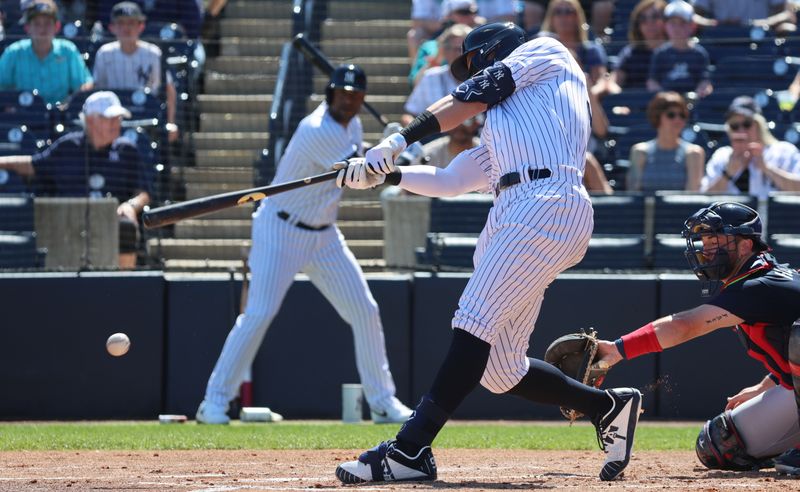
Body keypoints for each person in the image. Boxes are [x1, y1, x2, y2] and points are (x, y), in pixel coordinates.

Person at [333, 22, 642, 484]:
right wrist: (385, 173)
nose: (469, 73)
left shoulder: (545, 53)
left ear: (496, 52)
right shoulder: (510, 125)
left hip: (547, 201)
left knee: (472, 320)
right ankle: (606, 406)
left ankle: (409, 450)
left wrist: (396, 140)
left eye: (473, 62)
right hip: (519, 208)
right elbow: (449, 181)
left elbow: (481, 88)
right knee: (500, 369)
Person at [195, 65, 414, 426]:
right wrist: (399, 152)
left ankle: (382, 402)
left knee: (365, 310)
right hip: (280, 229)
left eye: (355, 95)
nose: (348, 100)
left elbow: (364, 159)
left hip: (324, 235)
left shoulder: (353, 125)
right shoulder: (316, 129)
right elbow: (362, 176)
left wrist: (391, 147)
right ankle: (214, 402)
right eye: (342, 93)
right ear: (330, 94)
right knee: (259, 314)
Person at [593, 201, 800, 475]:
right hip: (790, 391)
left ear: (746, 245)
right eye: (704, 239)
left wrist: (618, 349)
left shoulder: (759, 284)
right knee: (720, 444)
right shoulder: (759, 278)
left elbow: (685, 325)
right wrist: (764, 385)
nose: (707, 247)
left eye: (716, 238)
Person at [0, 91, 150, 269]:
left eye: (118, 119)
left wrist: (130, 206)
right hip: (68, 224)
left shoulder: (127, 150)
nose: (116, 124)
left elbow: (143, 193)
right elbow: (32, 165)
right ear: (91, 120)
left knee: (126, 226)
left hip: (111, 223)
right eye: (110, 118)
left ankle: (126, 285)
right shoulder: (67, 147)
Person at [92, 2, 179, 143]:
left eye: (131, 23)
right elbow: (97, 89)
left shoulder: (153, 53)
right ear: (112, 27)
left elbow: (168, 90)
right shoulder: (104, 53)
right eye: (121, 23)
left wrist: (171, 122)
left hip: (148, 119)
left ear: (141, 26)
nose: (126, 28)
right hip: (114, 119)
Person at [701, 95, 800, 198]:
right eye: (735, 126)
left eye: (747, 124)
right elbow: (702, 198)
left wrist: (767, 168)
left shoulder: (784, 151)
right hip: (731, 214)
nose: (741, 130)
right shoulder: (722, 156)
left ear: (759, 125)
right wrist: (728, 173)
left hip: (776, 214)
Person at [0, 0, 92, 105]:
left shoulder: (68, 50)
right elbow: (2, 86)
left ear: (57, 26)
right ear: (27, 27)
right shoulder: (13, 53)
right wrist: (9, 106)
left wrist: (69, 104)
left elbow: (85, 83)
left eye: (47, 23)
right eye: (37, 24)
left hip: (62, 116)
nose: (42, 29)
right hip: (23, 115)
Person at [626, 91, 704, 192]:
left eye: (682, 115)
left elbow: (691, 198)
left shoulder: (694, 154)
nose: (678, 119)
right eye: (671, 115)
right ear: (657, 117)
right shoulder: (639, 152)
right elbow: (632, 195)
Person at [404, 23, 471, 125]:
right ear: (444, 51)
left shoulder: (483, 77)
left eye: (462, 49)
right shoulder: (431, 76)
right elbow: (410, 114)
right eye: (453, 49)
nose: (459, 54)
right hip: (435, 136)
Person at [409, 0, 482, 86]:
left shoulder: (483, 46)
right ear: (448, 17)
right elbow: (416, 84)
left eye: (474, 12)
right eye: (463, 12)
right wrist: (435, 61)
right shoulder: (430, 47)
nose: (470, 16)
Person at [647, 0, 712, 97]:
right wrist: (666, 97)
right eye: (673, 23)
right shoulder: (660, 53)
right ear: (665, 26)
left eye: (683, 23)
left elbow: (704, 82)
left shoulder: (700, 54)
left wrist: (697, 95)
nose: (677, 28)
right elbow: (652, 82)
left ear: (692, 26)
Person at [600, 0, 667, 94]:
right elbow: (613, 83)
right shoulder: (630, 53)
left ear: (666, 20)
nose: (649, 23)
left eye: (655, 17)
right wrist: (624, 101)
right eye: (643, 19)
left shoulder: (674, 52)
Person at [538, 0, 608, 89]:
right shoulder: (543, 50)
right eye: (558, 11)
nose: (563, 16)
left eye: (569, 11)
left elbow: (601, 82)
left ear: (578, 17)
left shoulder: (592, 50)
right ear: (551, 18)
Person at [693, 0, 796, 33]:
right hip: (721, 41)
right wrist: (715, 24)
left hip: (761, 41)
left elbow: (787, 15)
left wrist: (758, 24)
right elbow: (692, 16)